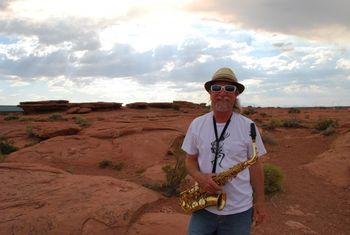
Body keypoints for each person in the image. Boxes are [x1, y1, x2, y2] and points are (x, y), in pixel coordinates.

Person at [181, 67, 267, 235]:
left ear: (236, 94)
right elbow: (189, 159)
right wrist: (201, 178)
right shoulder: (197, 124)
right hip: (204, 207)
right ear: (210, 93)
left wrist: (261, 202)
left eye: (229, 88)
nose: (222, 93)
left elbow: (255, 165)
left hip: (239, 212)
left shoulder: (248, 126)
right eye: (216, 88)